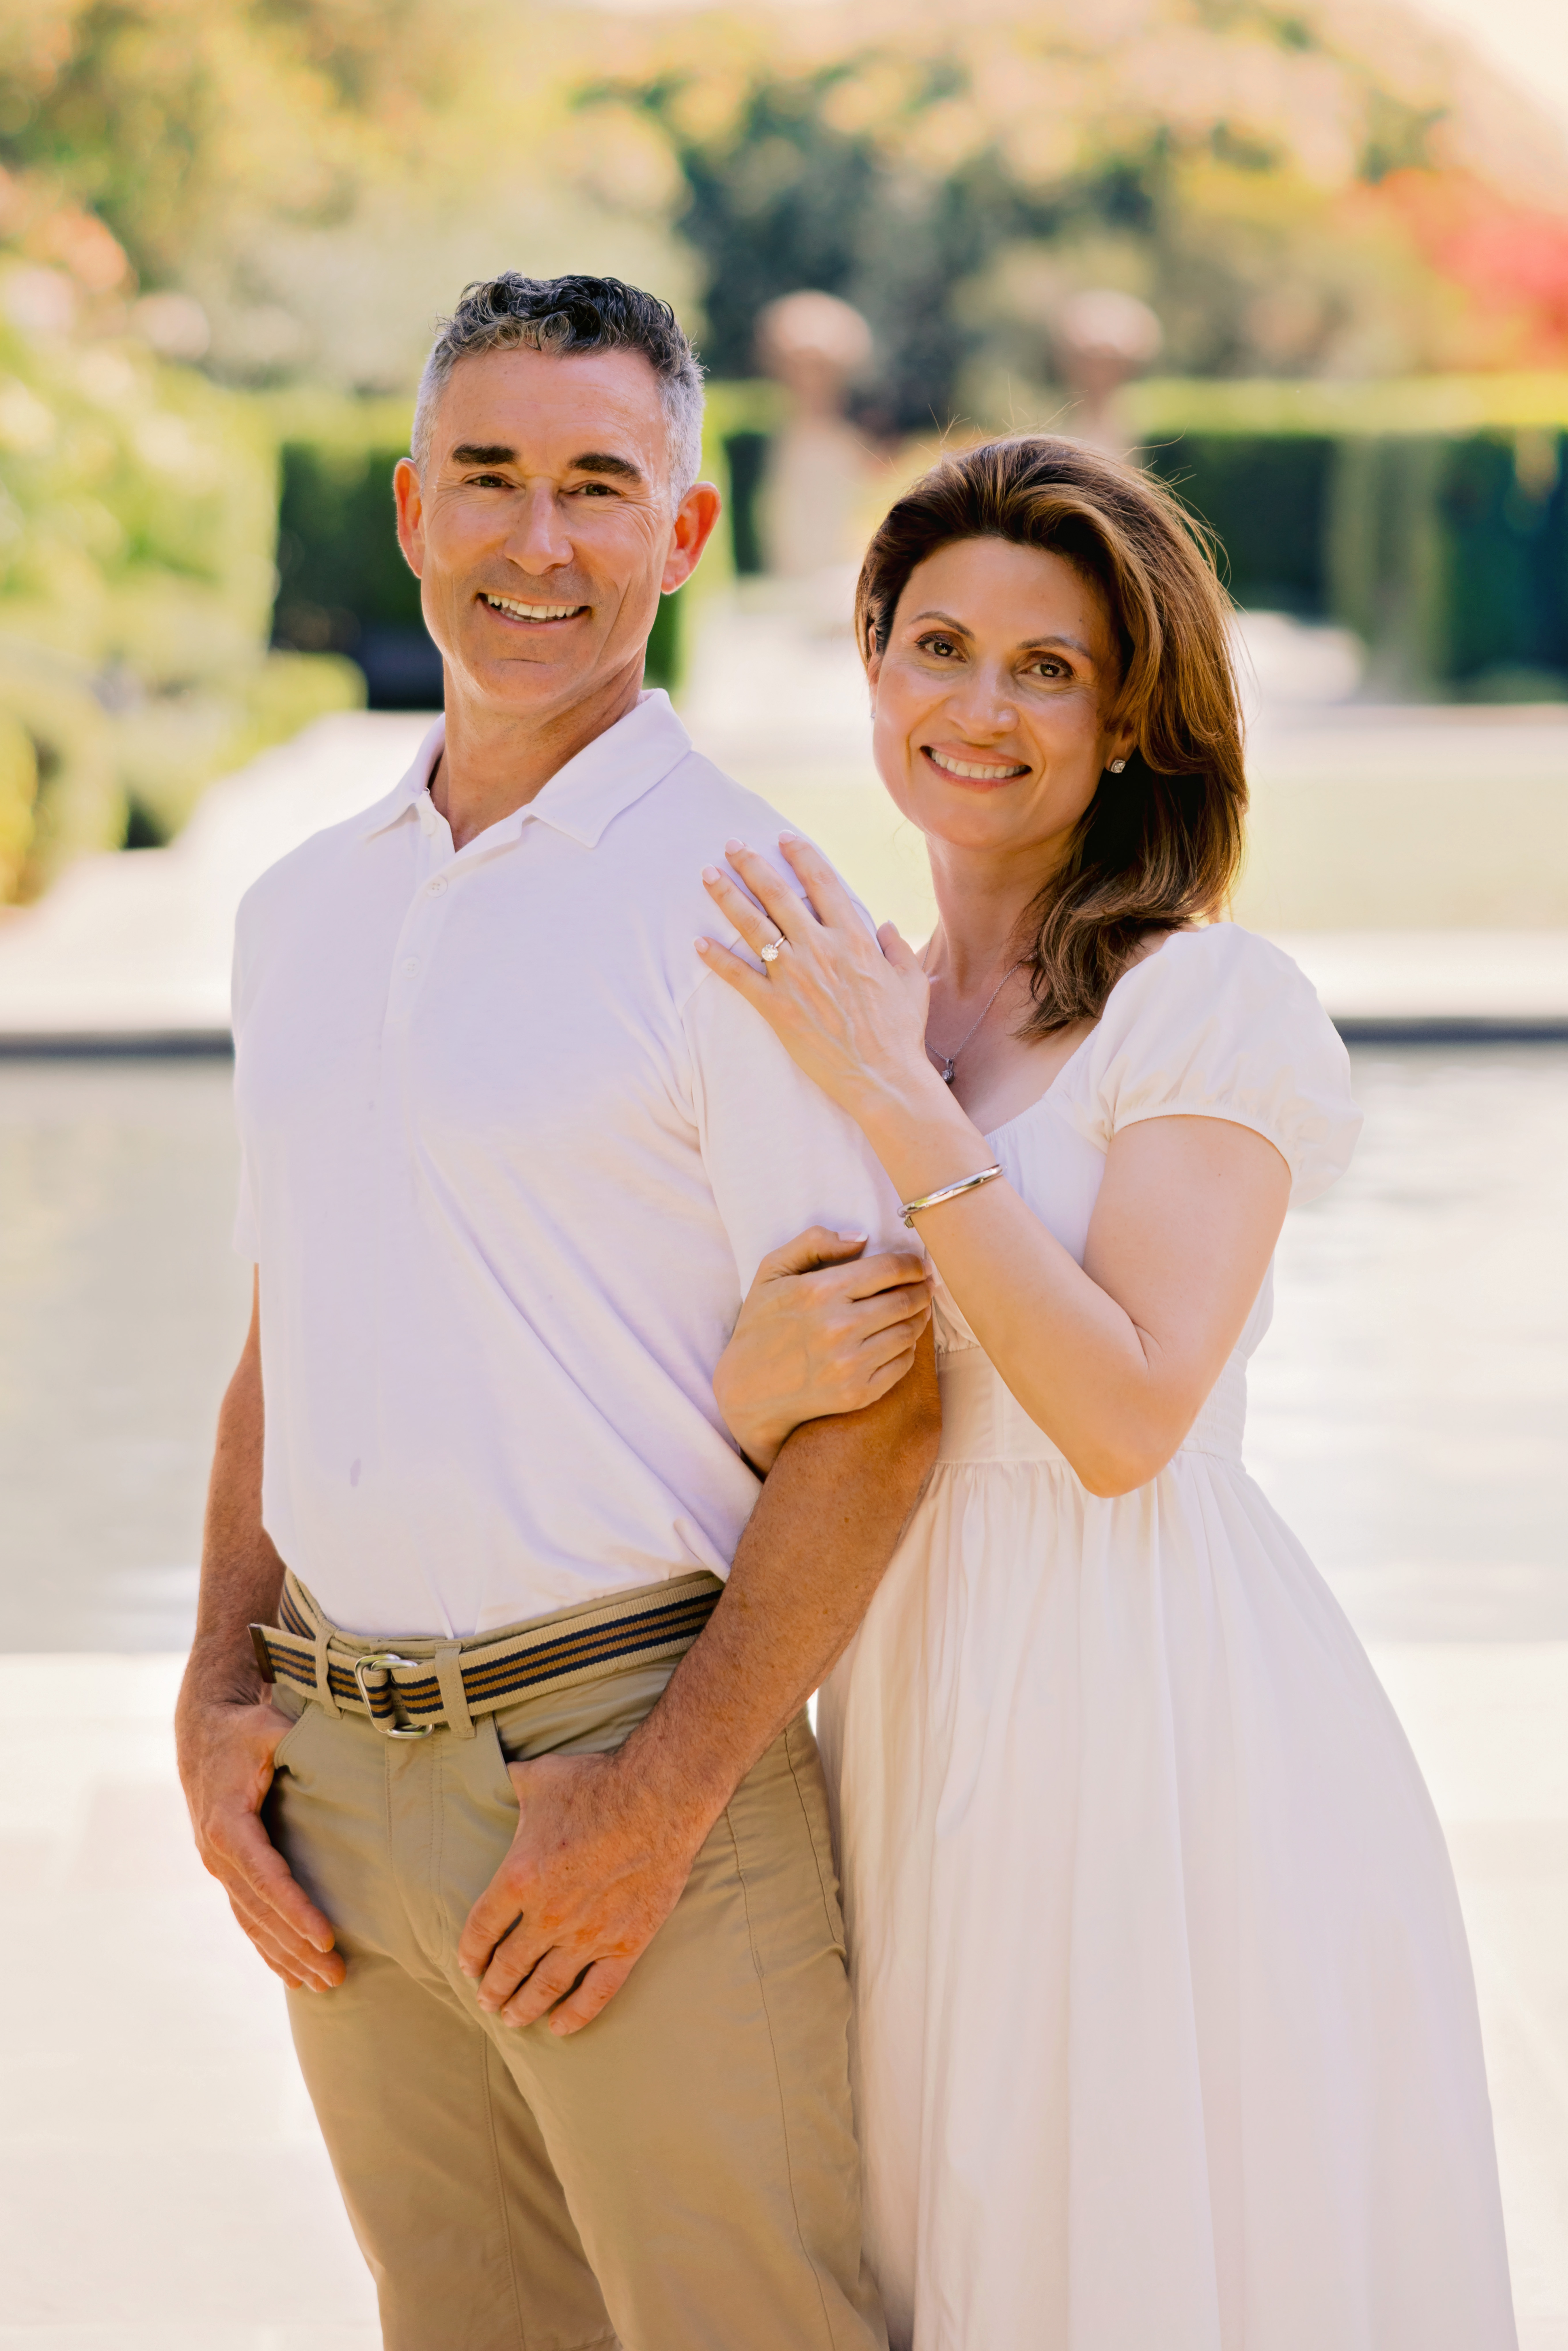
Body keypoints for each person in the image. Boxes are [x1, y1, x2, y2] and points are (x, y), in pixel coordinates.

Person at [174, 272, 943, 2351]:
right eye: (490, 476)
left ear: (681, 533)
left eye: (598, 485)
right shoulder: (300, 906)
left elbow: (881, 1408)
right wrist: (216, 1695)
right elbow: (285, 1322)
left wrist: (663, 1798)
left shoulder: (752, 906)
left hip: (630, 1769)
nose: (538, 539)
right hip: (337, 1790)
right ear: (411, 507)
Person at [696, 435, 1519, 2351]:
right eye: (936, 646)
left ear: (1132, 716)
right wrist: (753, 1376)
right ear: (873, 665)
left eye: (1046, 668)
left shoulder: (1205, 1007)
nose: (977, 707)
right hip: (901, 1699)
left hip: (1152, 1719)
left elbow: (1127, 1415)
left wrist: (890, 1098)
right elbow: (783, 1402)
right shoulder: (860, 1004)